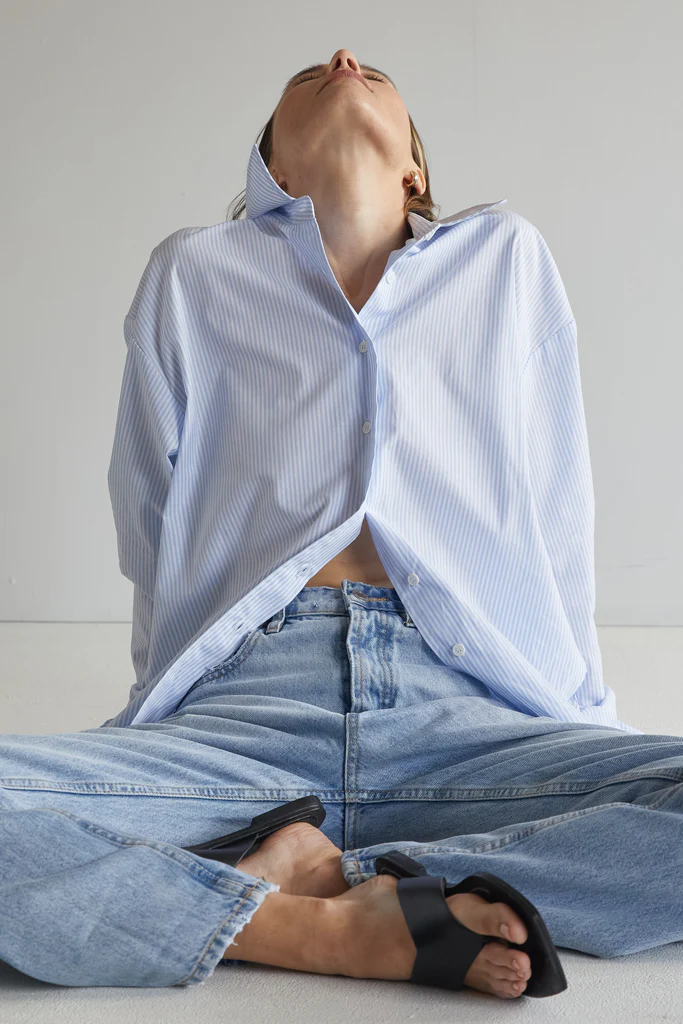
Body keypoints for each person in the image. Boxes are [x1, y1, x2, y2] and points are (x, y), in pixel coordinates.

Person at [2, 47, 682, 1001]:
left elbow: (555, 508)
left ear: (413, 168)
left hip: (472, 722)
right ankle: (317, 927)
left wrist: (577, 724)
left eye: (374, 74)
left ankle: (318, 886)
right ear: (274, 172)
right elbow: (148, 517)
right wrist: (165, 716)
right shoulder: (193, 275)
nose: (343, 57)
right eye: (306, 79)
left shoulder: (504, 259)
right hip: (244, 725)